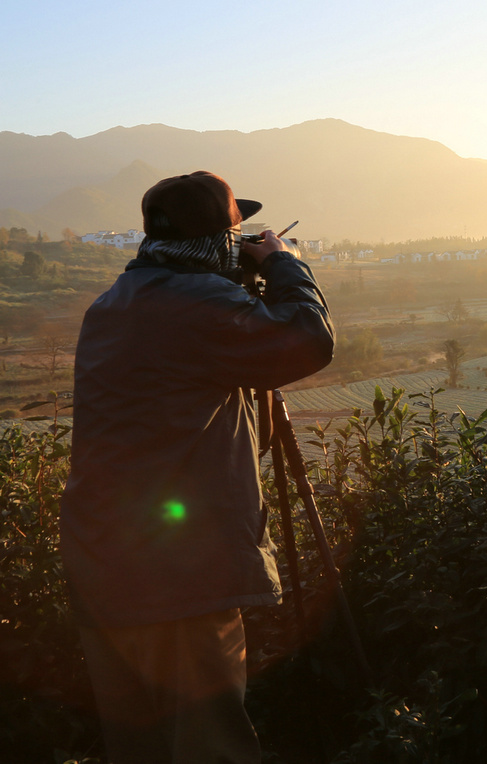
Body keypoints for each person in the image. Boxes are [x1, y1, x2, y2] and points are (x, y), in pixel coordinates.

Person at [60, 171, 335, 763]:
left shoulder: (114, 304)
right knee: (210, 746)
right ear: (218, 244)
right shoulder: (198, 304)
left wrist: (240, 284)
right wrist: (283, 265)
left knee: (142, 747)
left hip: (105, 566)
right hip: (178, 574)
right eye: (237, 236)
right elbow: (309, 341)